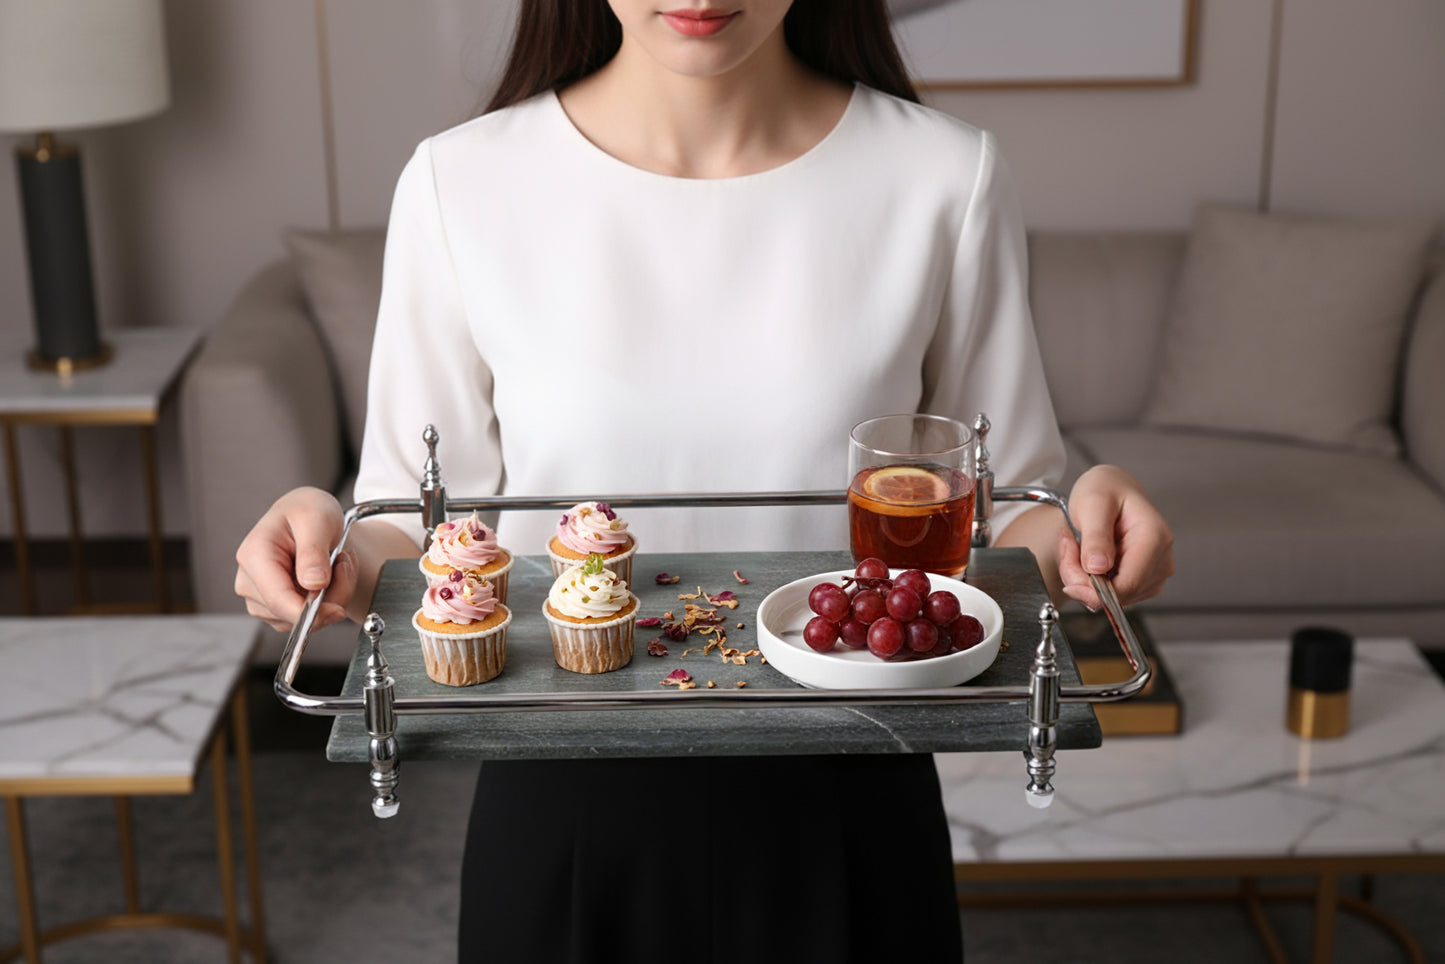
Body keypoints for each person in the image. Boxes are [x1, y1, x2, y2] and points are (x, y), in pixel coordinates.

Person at [236, 1, 1175, 960]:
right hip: (563, 796)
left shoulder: (944, 174)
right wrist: (327, 546)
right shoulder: (459, 180)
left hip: (852, 792)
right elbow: (413, 526)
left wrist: (1084, 530)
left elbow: (1008, 510)